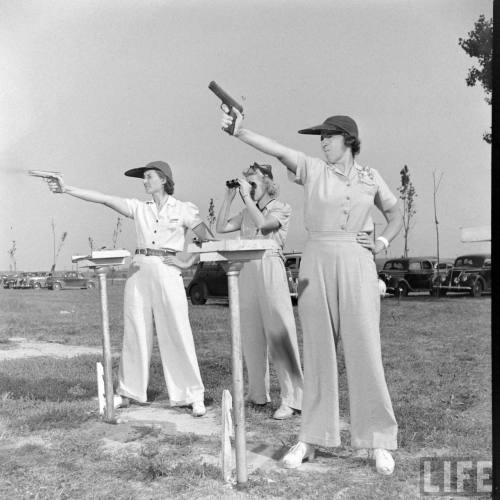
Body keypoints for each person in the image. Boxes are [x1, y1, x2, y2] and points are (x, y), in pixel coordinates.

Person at [219, 110, 403, 474]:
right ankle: (311, 437)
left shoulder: (371, 177)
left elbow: (397, 212)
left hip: (358, 262)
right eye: (321, 137)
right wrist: (242, 133)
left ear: (349, 140)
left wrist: (381, 240)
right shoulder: (313, 169)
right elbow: (278, 150)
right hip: (316, 260)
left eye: (330, 137)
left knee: (365, 347)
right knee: (318, 351)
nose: (323, 142)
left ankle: (378, 441)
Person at [45, 161, 208, 417]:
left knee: (178, 330)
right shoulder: (138, 207)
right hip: (139, 271)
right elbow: (103, 199)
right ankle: (128, 392)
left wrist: (187, 260)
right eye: (143, 177)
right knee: (135, 332)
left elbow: (205, 235)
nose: (145, 181)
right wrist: (67, 189)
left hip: (168, 270)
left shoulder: (184, 209)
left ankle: (192, 395)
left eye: (149, 176)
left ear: (164, 179)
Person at [216, 163, 304, 419]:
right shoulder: (246, 211)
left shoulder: (281, 207)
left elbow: (265, 226)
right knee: (251, 334)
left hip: (269, 264)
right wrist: (229, 197)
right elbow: (221, 226)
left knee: (278, 331)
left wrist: (246, 197)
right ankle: (257, 394)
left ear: (267, 181)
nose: (249, 186)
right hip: (247, 269)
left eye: (252, 181)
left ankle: (292, 399)